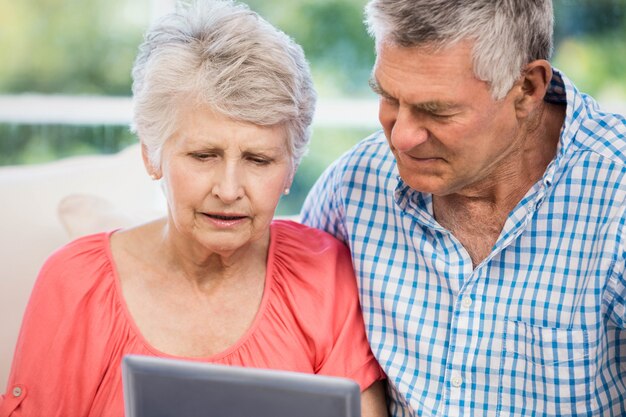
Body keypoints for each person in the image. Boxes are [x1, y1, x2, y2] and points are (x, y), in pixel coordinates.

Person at [0, 1, 389, 416]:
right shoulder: (75, 284)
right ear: (152, 155)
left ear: (291, 168)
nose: (228, 189)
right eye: (204, 155)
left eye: (259, 161)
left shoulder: (324, 274)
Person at [301, 0, 626, 415]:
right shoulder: (353, 189)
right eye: (389, 98)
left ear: (527, 88)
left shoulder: (615, 194)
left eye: (436, 111)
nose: (401, 137)